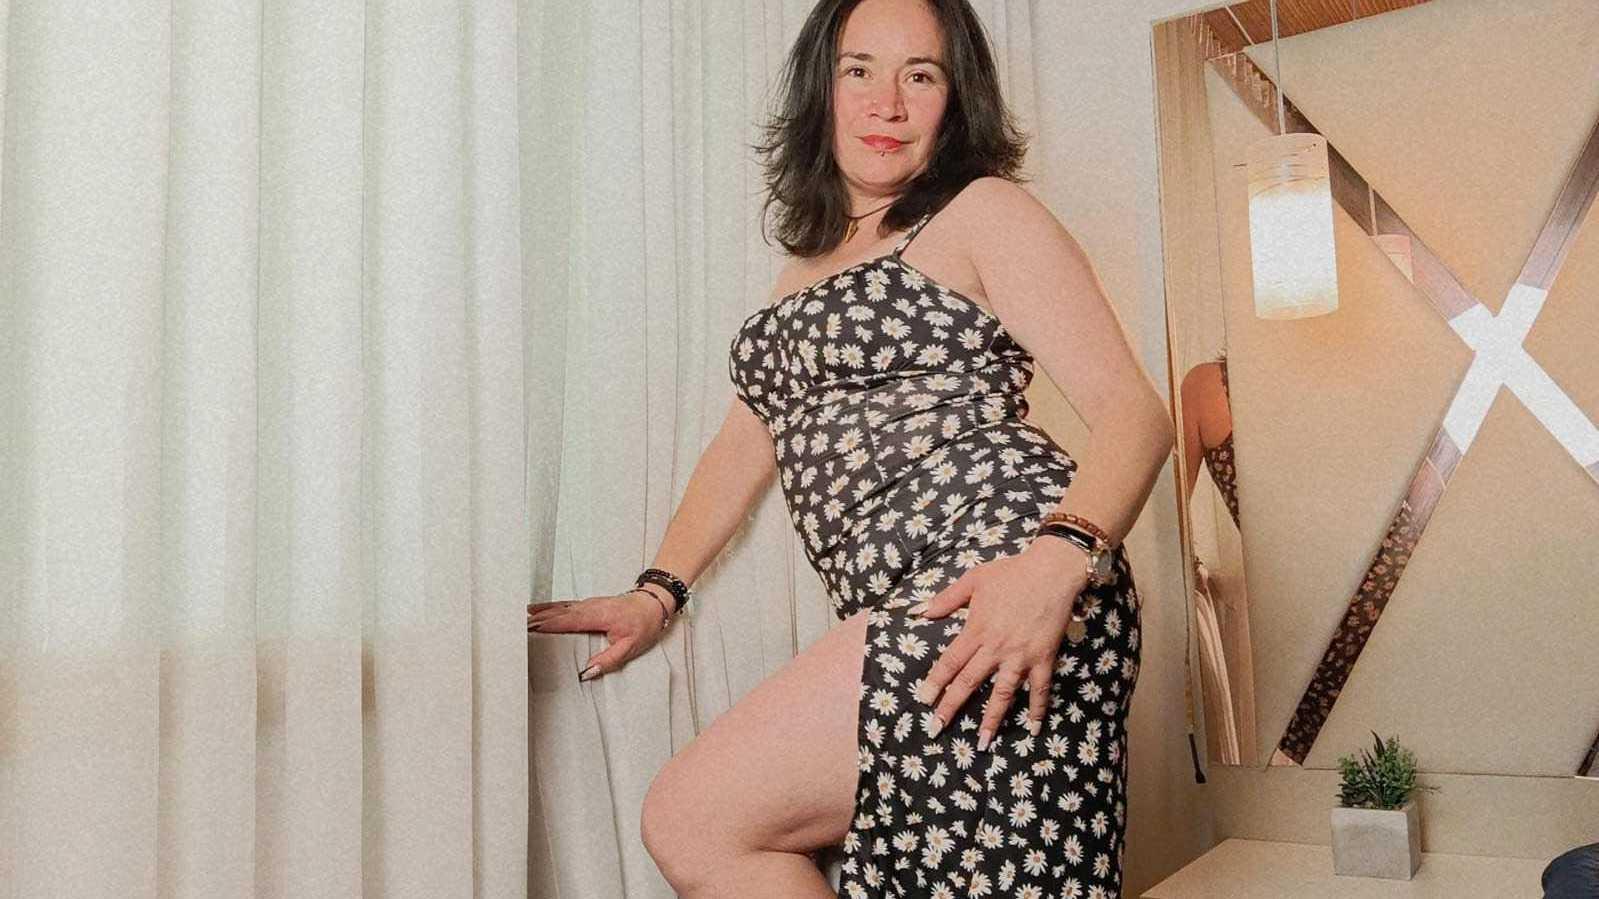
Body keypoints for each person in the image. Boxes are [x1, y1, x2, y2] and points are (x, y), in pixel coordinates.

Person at [526, 0, 1174, 895]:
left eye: (920, 75)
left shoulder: (982, 212)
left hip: (1002, 565)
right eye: (858, 70)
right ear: (820, 89)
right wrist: (656, 591)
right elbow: (748, 437)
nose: (887, 103)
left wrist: (1056, 560)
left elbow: (1135, 413)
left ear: (956, 100)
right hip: (910, 589)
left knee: (694, 817)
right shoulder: (808, 263)